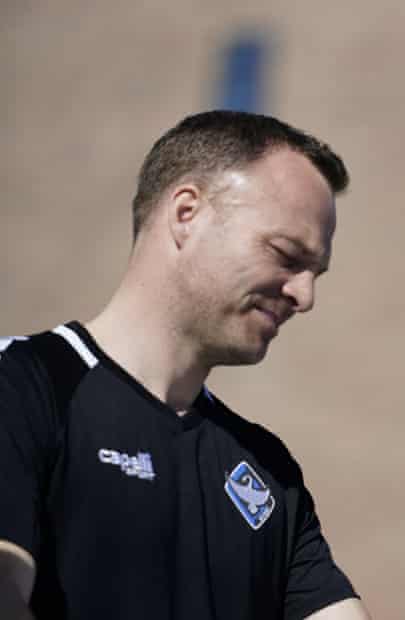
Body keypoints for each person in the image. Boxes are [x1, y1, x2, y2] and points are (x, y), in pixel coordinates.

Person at [0, 111, 371, 620]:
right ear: (187, 213)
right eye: (287, 255)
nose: (304, 296)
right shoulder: (23, 388)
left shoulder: (267, 469)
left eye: (315, 273)